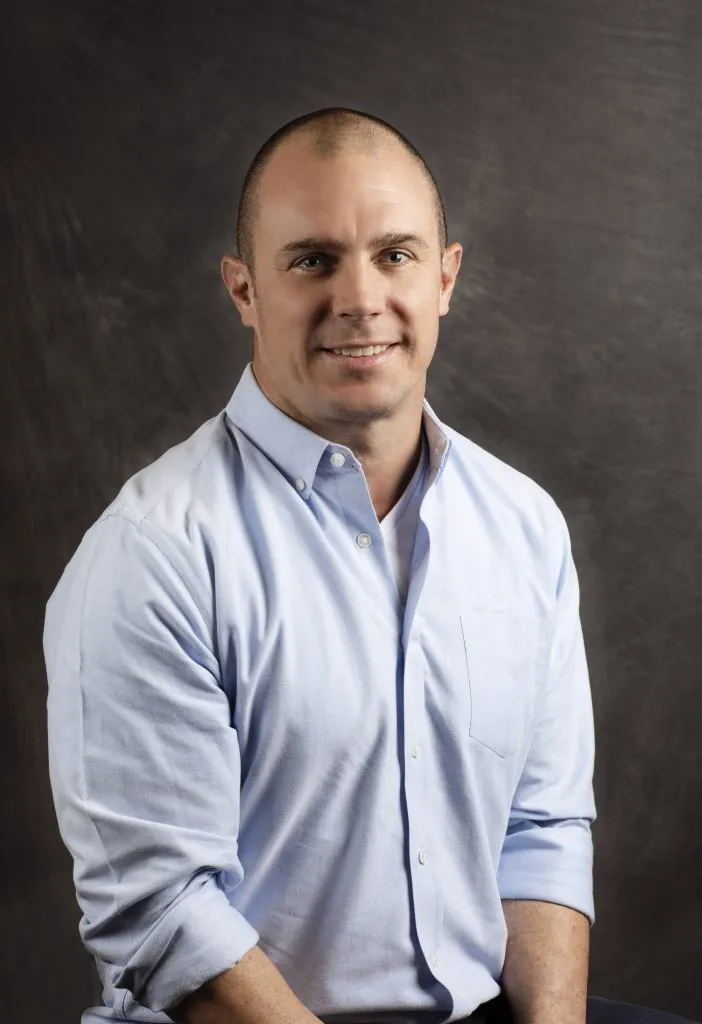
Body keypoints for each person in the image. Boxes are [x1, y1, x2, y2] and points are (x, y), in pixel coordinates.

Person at [43, 107, 695, 1024]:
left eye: (395, 254)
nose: (360, 297)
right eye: (312, 259)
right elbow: (163, 916)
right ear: (243, 290)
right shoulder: (153, 555)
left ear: (446, 277)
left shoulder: (524, 526)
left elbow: (540, 833)